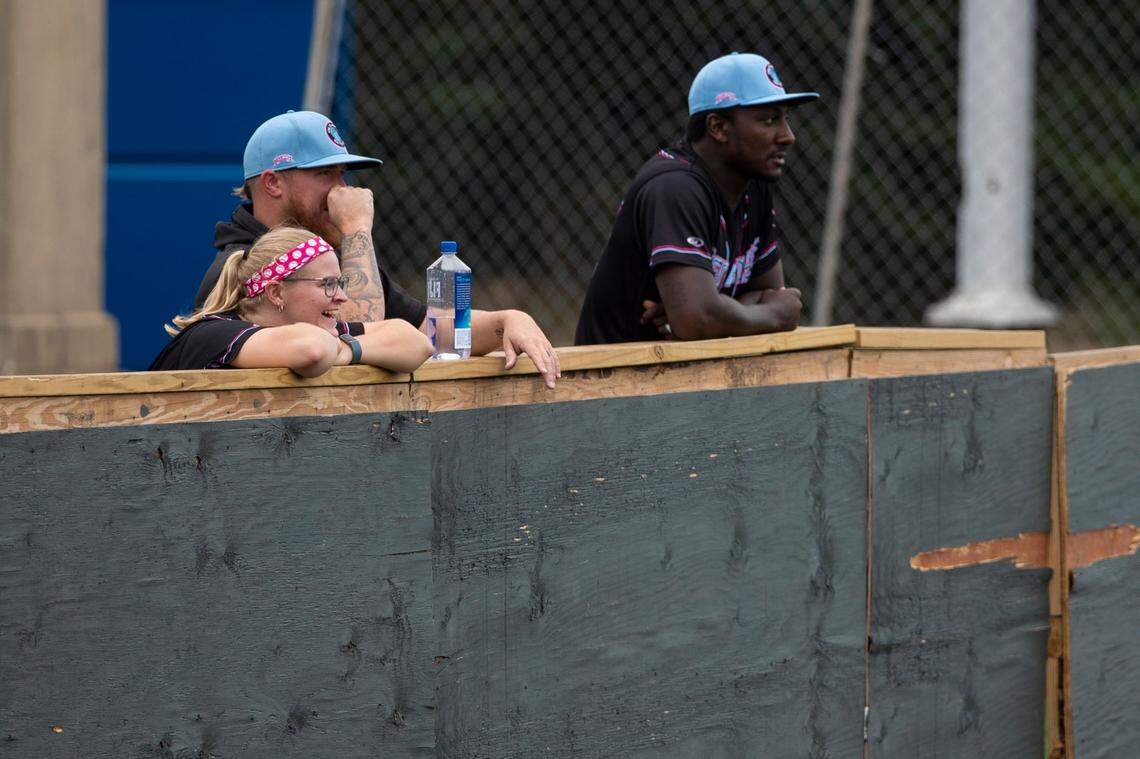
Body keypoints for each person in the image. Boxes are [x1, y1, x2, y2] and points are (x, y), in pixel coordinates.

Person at [196, 110, 561, 387]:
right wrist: (356, 230)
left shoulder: (328, 257)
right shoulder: (243, 265)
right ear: (273, 183)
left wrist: (505, 321)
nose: (342, 189)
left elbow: (429, 332)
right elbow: (362, 332)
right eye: (324, 174)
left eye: (342, 173)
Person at [574, 52, 817, 345]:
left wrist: (714, 310)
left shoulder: (754, 186)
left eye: (785, 118)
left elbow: (769, 296)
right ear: (717, 127)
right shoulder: (674, 187)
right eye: (769, 120)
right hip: (616, 370)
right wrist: (765, 315)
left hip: (688, 369)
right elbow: (699, 319)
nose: (788, 136)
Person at [151, 226, 433, 375]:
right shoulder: (213, 333)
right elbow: (313, 350)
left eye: (341, 283)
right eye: (327, 284)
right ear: (276, 292)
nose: (342, 296)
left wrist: (345, 350)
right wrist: (350, 349)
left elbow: (416, 342)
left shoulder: (318, 330)